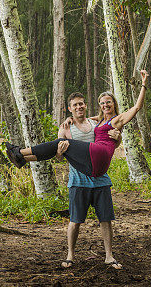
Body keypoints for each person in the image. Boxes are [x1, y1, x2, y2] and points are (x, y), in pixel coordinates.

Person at [5, 69, 149, 181]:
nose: (106, 105)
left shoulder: (117, 119)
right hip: (94, 164)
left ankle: (19, 152)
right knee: (62, 147)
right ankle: (22, 159)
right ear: (99, 105)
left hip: (100, 153)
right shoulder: (98, 121)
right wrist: (70, 119)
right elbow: (82, 116)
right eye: (103, 103)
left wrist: (143, 84)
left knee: (62, 142)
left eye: (109, 102)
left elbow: (136, 107)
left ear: (114, 104)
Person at [56, 92, 121, 269]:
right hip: (78, 181)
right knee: (75, 220)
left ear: (86, 106)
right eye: (75, 105)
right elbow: (59, 158)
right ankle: (70, 255)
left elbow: (109, 142)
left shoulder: (96, 124)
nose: (79, 107)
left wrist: (118, 138)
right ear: (70, 109)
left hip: (100, 180)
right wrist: (60, 153)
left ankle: (109, 256)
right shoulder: (66, 128)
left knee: (105, 219)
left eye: (81, 104)